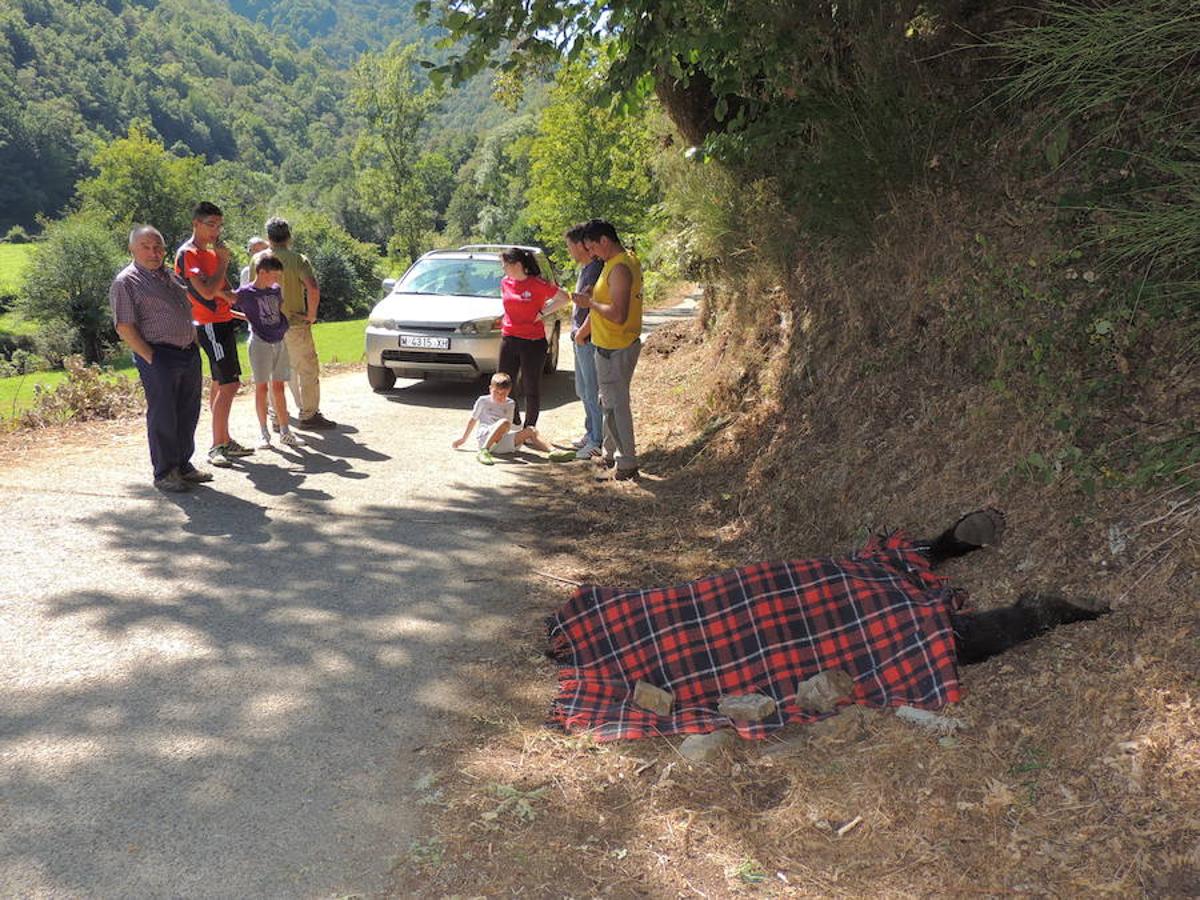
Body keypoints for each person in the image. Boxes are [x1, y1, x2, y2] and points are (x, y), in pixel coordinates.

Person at [546, 509, 1111, 741]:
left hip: (750, 609)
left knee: (869, 638)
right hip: (758, 615)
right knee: (848, 611)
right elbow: (627, 606)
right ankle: (1007, 599)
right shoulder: (608, 628)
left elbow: (675, 611)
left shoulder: (615, 670)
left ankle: (1008, 602)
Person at [110, 225, 211, 493]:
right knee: (164, 414)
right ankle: (165, 472)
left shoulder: (168, 275)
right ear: (132, 248)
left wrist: (194, 342)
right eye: (146, 247)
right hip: (158, 355)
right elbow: (124, 326)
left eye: (158, 247)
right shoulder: (126, 282)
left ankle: (183, 464)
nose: (154, 252)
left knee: (188, 411)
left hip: (187, 351)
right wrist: (150, 357)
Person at [174, 201, 252, 470]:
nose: (216, 231)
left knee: (221, 383)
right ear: (195, 223)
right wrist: (222, 263)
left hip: (222, 320)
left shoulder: (210, 253)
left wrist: (231, 295)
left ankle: (224, 439)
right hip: (208, 324)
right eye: (211, 225)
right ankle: (216, 447)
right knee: (230, 384)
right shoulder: (189, 254)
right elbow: (206, 292)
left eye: (219, 226)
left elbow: (225, 290)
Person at [574, 220, 644, 482]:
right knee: (610, 404)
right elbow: (611, 300)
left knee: (617, 406)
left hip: (616, 346)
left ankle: (627, 463)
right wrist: (595, 296)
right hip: (609, 345)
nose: (592, 254)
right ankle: (612, 454)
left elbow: (618, 313)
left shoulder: (620, 268)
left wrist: (589, 302)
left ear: (605, 240)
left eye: (593, 247)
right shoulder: (618, 262)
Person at [262, 216, 336, 430]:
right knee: (306, 370)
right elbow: (312, 288)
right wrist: (311, 314)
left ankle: (276, 417)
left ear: (269, 238)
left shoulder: (258, 260)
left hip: (267, 326)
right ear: (289, 236)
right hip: (294, 323)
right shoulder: (298, 260)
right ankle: (309, 414)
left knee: (272, 372)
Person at [232, 251, 305, 451]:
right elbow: (226, 302)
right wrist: (248, 318)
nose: (276, 279)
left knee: (279, 387)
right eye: (274, 275)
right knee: (262, 388)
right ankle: (264, 434)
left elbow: (276, 311)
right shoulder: (246, 292)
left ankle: (285, 432)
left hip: (278, 342)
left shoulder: (275, 290)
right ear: (262, 272)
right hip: (259, 344)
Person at [497, 247, 571, 432]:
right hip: (509, 337)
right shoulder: (505, 282)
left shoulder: (537, 283)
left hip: (532, 342)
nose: (503, 268)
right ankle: (513, 423)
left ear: (518, 265)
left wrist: (542, 312)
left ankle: (529, 428)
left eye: (505, 264)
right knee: (505, 382)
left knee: (530, 386)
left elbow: (564, 298)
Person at [564, 223, 605, 459]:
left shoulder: (597, 268)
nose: (569, 251)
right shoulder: (586, 268)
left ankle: (597, 440)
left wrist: (582, 333)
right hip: (579, 336)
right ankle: (590, 433)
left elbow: (595, 305)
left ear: (582, 245)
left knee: (592, 390)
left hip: (587, 338)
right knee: (583, 389)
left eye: (571, 246)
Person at [452, 372, 551, 465]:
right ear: (490, 389)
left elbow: (508, 427)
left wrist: (517, 435)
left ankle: (553, 451)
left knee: (531, 430)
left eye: (503, 393)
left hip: (502, 440)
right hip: (485, 437)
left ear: (509, 391)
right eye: (496, 392)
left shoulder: (510, 403)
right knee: (503, 422)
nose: (499, 396)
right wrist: (463, 439)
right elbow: (473, 420)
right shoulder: (483, 401)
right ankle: (483, 451)